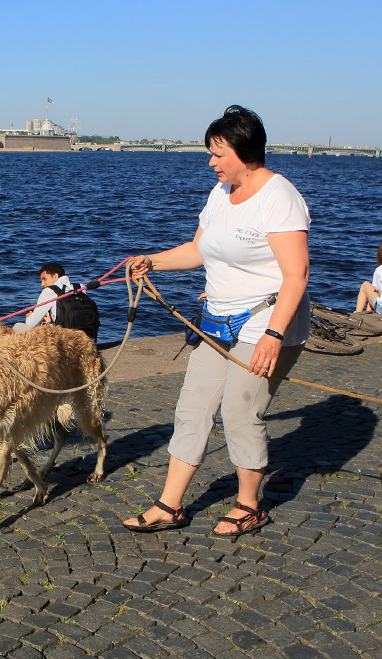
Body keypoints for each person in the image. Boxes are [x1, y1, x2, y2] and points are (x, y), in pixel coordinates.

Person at [122, 105, 310, 538]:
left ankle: (248, 506)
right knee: (192, 409)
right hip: (216, 320)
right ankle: (170, 505)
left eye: (218, 153)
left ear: (243, 152)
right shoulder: (219, 194)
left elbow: (296, 275)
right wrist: (151, 261)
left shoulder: (279, 197)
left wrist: (273, 335)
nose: (211, 162)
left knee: (241, 411)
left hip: (266, 321)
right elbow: (197, 251)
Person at [13, 263, 73, 335]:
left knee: (17, 327)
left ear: (55, 276)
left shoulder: (49, 291)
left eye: (44, 279)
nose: (42, 284)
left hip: (64, 337)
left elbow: (31, 324)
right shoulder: (79, 287)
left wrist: (29, 317)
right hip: (83, 334)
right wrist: (52, 320)